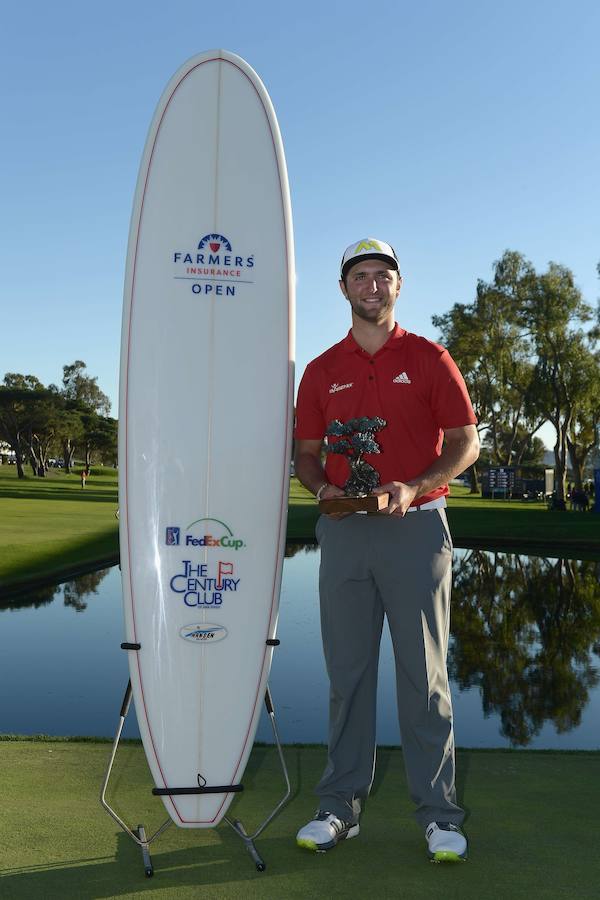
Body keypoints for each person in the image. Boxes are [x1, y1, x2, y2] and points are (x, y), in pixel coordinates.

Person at [294, 238, 479, 862]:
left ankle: (438, 815)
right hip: (345, 532)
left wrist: (415, 485)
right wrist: (323, 490)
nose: (372, 285)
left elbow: (463, 443)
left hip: (416, 528)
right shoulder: (321, 370)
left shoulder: (429, 358)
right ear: (344, 288)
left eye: (383, 275)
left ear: (398, 286)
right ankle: (338, 807)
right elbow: (306, 454)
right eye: (360, 276)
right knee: (348, 675)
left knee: (423, 677)